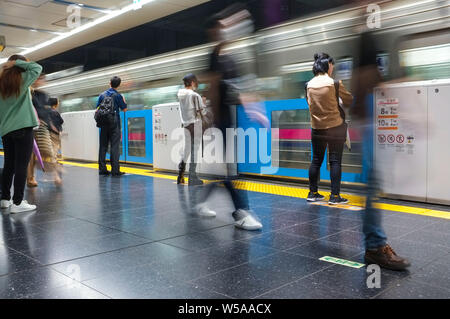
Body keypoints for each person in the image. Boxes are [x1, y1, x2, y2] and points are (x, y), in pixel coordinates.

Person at [193, 10, 262, 230]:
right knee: (230, 169)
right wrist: (211, 120)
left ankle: (202, 202)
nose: (225, 32)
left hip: (230, 119)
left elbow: (238, 89)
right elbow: (213, 87)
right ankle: (241, 212)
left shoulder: (230, 59)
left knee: (225, 168)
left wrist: (253, 109)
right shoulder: (214, 56)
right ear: (213, 32)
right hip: (222, 121)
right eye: (220, 29)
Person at [351, 32, 410, 270]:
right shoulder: (366, 34)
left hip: (368, 113)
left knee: (372, 183)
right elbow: (367, 76)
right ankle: (375, 247)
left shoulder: (369, 32)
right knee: (373, 184)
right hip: (368, 113)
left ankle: (375, 244)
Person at [306, 53, 353, 205]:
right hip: (335, 127)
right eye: (332, 65)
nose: (333, 68)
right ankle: (334, 196)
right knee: (335, 162)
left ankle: (312, 193)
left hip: (316, 128)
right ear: (328, 65)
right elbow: (349, 100)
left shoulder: (308, 85)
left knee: (316, 161)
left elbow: (310, 104)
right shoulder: (335, 84)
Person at [0, 55, 41, 213]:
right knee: (21, 165)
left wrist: (9, 65)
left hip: (6, 130)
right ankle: (17, 202)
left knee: (9, 164)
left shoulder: (1, 83)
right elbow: (37, 68)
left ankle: (4, 199)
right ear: (21, 65)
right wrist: (16, 62)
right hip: (23, 128)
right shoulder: (23, 80)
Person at [27, 74, 62, 186]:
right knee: (31, 155)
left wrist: (50, 125)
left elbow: (46, 112)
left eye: (42, 79)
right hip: (31, 126)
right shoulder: (28, 92)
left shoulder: (44, 95)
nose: (40, 81)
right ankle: (31, 178)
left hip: (43, 128)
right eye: (38, 78)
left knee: (49, 152)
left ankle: (55, 175)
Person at [177, 73, 206, 186]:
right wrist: (204, 104)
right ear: (193, 83)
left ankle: (181, 174)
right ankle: (192, 177)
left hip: (186, 125)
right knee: (195, 150)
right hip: (195, 124)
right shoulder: (195, 95)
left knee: (187, 150)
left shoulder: (180, 95)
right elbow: (201, 112)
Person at [97, 76, 127, 176]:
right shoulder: (118, 95)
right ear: (119, 85)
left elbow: (97, 108)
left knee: (103, 146)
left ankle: (102, 169)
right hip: (114, 124)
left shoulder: (102, 95)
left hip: (103, 124)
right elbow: (124, 109)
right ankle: (115, 170)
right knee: (114, 147)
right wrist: (123, 100)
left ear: (109, 83)